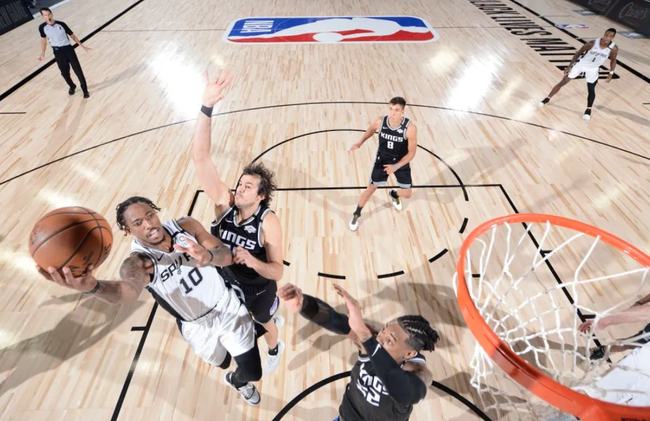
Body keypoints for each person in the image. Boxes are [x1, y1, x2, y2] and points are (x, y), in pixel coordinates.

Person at [36, 196, 263, 405]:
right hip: (196, 326)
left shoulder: (186, 227)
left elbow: (226, 256)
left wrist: (209, 256)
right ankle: (241, 347)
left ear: (155, 212)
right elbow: (127, 292)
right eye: (138, 223)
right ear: (128, 230)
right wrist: (93, 287)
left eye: (150, 216)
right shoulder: (138, 262)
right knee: (222, 362)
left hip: (227, 307)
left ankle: (237, 381)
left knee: (253, 372)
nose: (149, 225)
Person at [191, 70, 286, 374]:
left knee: (264, 322)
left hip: (258, 288)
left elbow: (277, 270)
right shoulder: (224, 205)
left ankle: (276, 347)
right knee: (233, 325)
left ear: (261, 196)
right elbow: (201, 159)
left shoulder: (268, 222)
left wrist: (253, 262)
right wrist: (206, 106)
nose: (240, 188)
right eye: (240, 183)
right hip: (225, 282)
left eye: (248, 186)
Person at [277, 283, 438, 421]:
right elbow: (334, 319)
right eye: (384, 330)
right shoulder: (370, 341)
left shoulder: (419, 372)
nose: (380, 338)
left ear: (408, 354)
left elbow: (405, 391)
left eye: (390, 340)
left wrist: (366, 338)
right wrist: (304, 303)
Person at [349, 97, 418, 231]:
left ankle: (394, 194)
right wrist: (359, 143)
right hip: (383, 160)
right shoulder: (380, 121)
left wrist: (396, 166)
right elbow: (370, 130)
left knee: (408, 194)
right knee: (370, 189)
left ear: (402, 112)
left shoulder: (410, 128)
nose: (392, 113)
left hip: (400, 161)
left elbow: (411, 153)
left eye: (396, 110)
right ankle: (356, 214)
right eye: (390, 109)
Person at [538, 28, 618, 121]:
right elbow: (578, 53)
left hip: (593, 69)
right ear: (604, 34)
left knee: (591, 90)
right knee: (563, 82)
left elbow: (613, 59)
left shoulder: (613, 48)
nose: (607, 37)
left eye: (610, 36)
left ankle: (588, 110)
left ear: (613, 37)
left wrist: (611, 73)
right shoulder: (592, 43)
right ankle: (547, 99)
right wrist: (570, 66)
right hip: (581, 65)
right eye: (606, 35)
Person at [38, 8, 91, 98]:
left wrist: (81, 45)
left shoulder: (61, 24)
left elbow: (72, 35)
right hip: (58, 52)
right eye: (45, 15)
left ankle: (85, 91)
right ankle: (72, 86)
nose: (48, 16)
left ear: (52, 14)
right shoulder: (42, 27)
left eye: (49, 14)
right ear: (43, 16)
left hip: (68, 50)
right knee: (64, 73)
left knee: (78, 71)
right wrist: (43, 53)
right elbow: (43, 40)